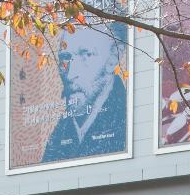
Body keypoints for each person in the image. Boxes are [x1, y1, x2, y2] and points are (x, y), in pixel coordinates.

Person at [42, 19, 129, 162]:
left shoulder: (125, 123)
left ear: (114, 57)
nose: (70, 75)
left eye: (86, 55)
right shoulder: (58, 137)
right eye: (65, 57)